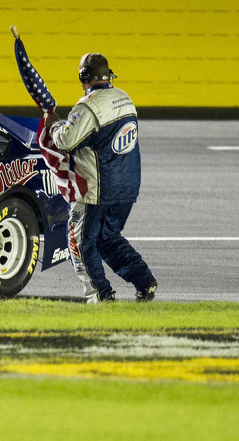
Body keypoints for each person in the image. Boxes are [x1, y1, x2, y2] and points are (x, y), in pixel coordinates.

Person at [44, 53, 157, 303]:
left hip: (96, 188)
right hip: (127, 185)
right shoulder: (124, 98)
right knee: (108, 237)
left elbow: (65, 140)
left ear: (84, 77)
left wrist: (53, 124)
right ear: (109, 75)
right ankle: (145, 281)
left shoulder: (88, 107)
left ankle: (99, 295)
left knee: (80, 242)